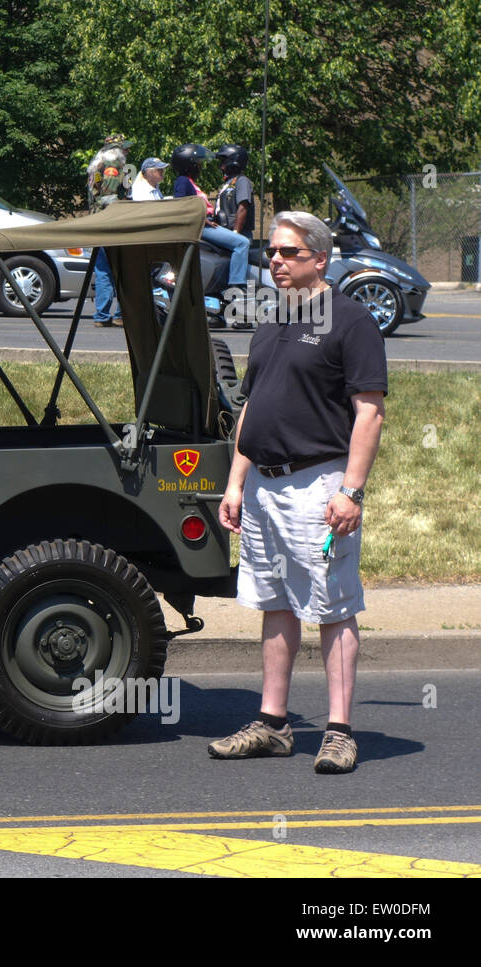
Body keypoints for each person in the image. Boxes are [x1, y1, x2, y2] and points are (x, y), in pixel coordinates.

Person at [213, 210, 387, 775]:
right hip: (264, 485)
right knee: (276, 603)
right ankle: (273, 723)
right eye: (272, 251)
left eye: (289, 253)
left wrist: (351, 492)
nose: (276, 261)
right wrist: (236, 483)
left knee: (332, 607)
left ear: (320, 258)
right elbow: (250, 408)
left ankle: (338, 732)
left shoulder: (351, 321)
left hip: (319, 487)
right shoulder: (271, 320)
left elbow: (369, 414)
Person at [170, 143, 250, 294]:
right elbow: (180, 205)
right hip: (202, 226)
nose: (201, 167)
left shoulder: (189, 182)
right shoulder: (183, 181)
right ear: (190, 165)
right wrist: (202, 219)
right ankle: (236, 285)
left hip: (204, 224)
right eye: (198, 163)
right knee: (242, 243)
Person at [85, 134, 131, 327]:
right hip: (113, 224)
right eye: (125, 148)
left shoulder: (97, 165)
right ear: (116, 150)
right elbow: (109, 197)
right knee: (120, 270)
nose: (127, 151)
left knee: (103, 270)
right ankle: (118, 315)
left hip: (98, 223)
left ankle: (102, 316)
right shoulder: (113, 168)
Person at [214, 144, 255, 239]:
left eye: (223, 161)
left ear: (233, 161)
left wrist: (235, 234)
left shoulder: (242, 181)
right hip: (225, 232)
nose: (221, 165)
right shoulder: (228, 183)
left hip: (239, 234)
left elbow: (243, 208)